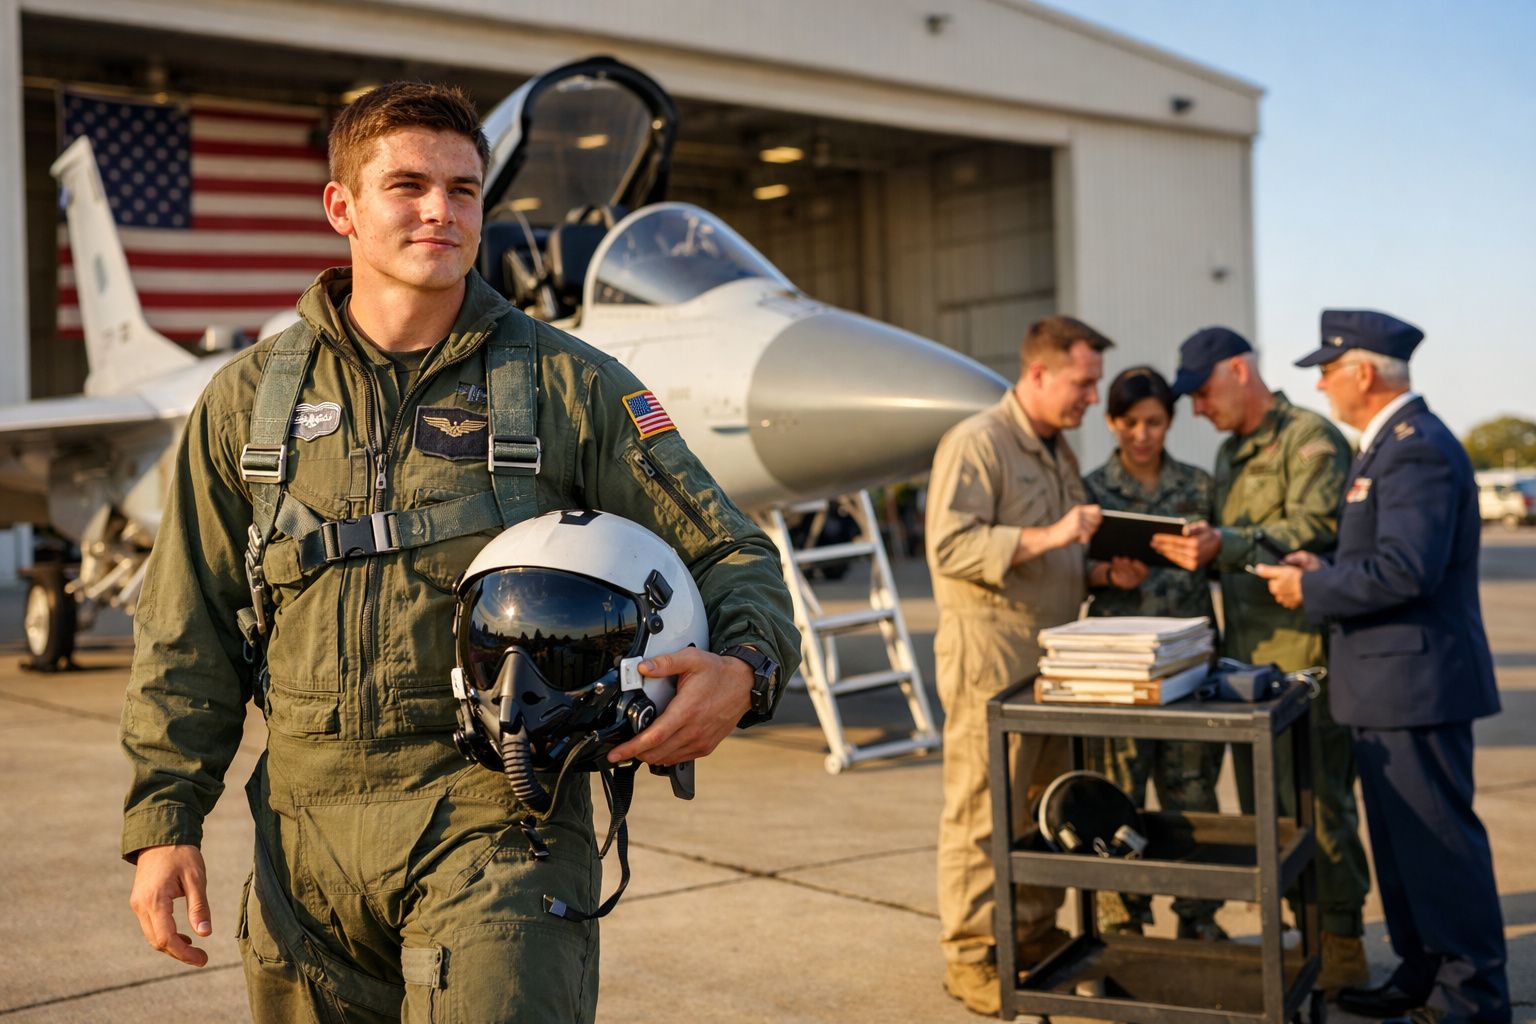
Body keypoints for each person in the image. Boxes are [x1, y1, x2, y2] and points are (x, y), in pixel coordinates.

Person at [119, 82, 799, 1023]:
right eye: (407, 185)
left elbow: (729, 550)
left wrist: (747, 667)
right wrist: (166, 820)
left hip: (499, 825)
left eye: (465, 189)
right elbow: (185, 627)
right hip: (300, 842)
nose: (441, 209)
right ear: (341, 207)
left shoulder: (569, 387)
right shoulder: (248, 405)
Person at [1256, 310, 1509, 1024]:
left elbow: (1409, 570)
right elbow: (1382, 556)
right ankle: (1423, 972)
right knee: (1402, 851)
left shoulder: (1415, 448)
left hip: (1417, 685)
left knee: (1438, 847)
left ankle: (1470, 996)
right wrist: (1325, 566)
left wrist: (1312, 589)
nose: (1323, 386)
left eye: (1327, 371)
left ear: (1362, 372)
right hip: (1385, 685)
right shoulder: (1385, 447)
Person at [1151, 326, 1371, 993]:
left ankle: (1341, 942)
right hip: (1247, 664)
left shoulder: (1307, 438)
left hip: (1307, 657)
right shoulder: (1228, 455)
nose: (1195, 408)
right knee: (1266, 812)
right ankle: (1297, 930)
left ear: (1238, 371)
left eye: (1201, 391)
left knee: (1319, 805)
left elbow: (1318, 527)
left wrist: (1228, 542)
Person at [925, 314, 1110, 1016]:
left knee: (1045, 798)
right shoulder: (979, 443)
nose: (1091, 397)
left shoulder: (1056, 451)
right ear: (1039, 373)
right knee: (982, 806)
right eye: (1083, 382)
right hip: (991, 651)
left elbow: (1057, 552)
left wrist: (1098, 568)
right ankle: (972, 955)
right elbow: (950, 546)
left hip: (1053, 649)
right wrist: (1053, 534)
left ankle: (1029, 930)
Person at [1081, 366, 1226, 941]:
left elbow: (1221, 561)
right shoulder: (1091, 492)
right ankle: (1124, 926)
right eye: (1131, 422)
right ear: (1112, 422)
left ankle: (1200, 919)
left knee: (1192, 793)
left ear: (1169, 423)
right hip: (1121, 665)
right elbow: (1077, 571)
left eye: (1155, 422)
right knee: (1119, 793)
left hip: (1188, 666)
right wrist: (1106, 571)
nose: (1143, 434)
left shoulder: (1197, 485)